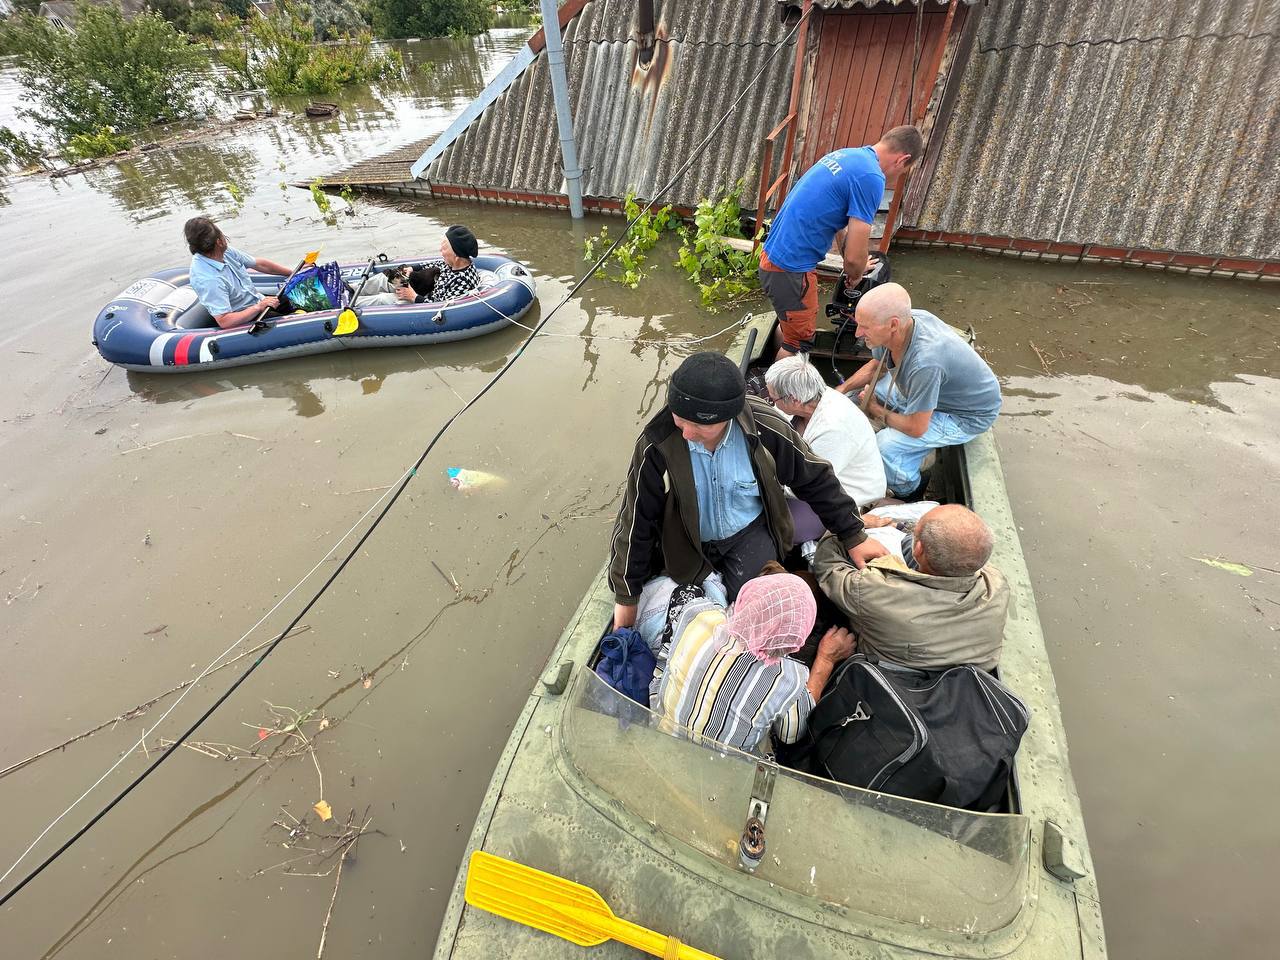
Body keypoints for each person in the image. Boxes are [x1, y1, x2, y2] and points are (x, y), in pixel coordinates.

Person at [609, 352, 887, 626]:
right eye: (679, 418)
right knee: (689, 616)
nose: (686, 433)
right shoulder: (656, 443)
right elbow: (635, 520)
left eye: (699, 424)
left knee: (757, 616)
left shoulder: (764, 425)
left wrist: (854, 536)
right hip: (686, 540)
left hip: (749, 534)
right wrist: (627, 597)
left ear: (728, 417)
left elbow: (816, 479)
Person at [759, 126, 923, 359]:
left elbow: (839, 225)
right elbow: (855, 259)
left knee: (792, 327)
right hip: (791, 269)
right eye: (905, 171)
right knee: (800, 342)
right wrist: (854, 275)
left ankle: (771, 373)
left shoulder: (848, 156)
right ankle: (776, 394)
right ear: (903, 159)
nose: (897, 177)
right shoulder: (872, 177)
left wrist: (853, 264)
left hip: (773, 258)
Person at [651, 574, 856, 754]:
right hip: (718, 772)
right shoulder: (788, 678)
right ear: (795, 640)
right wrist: (826, 660)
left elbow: (667, 657)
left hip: (661, 737)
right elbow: (792, 733)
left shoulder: (697, 612)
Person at [836, 283, 1002, 498]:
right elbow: (878, 366)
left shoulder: (926, 362)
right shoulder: (903, 324)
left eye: (865, 327)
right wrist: (841, 389)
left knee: (886, 446)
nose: (858, 333)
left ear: (893, 325)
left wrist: (876, 410)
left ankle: (909, 490)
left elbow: (916, 428)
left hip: (966, 415)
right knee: (855, 397)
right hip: (933, 391)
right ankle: (911, 446)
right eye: (858, 324)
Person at [813, 504, 1008, 671]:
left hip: (888, 677)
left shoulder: (873, 589)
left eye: (916, 532)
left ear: (919, 549)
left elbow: (827, 566)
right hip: (956, 681)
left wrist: (854, 526)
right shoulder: (997, 585)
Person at [764, 355, 886, 543]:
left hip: (844, 493)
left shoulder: (834, 429)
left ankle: (857, 519)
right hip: (807, 480)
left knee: (780, 531)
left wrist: (765, 479)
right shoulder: (812, 397)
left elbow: (812, 484)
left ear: (794, 400)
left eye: (774, 398)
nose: (772, 402)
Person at [184, 217, 293, 329]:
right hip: (246, 317)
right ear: (219, 241)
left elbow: (258, 264)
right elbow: (224, 321)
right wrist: (259, 307)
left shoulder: (226, 252)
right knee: (290, 323)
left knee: (295, 299)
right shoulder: (209, 279)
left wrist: (293, 272)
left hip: (257, 300)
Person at [354, 225, 482, 306]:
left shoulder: (463, 281)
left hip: (422, 301)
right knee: (387, 278)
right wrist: (412, 269)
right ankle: (351, 289)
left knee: (384, 299)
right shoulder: (451, 263)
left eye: (444, 250)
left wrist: (413, 296)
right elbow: (433, 263)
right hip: (420, 291)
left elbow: (442, 307)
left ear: (456, 256)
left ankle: (349, 304)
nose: (441, 252)